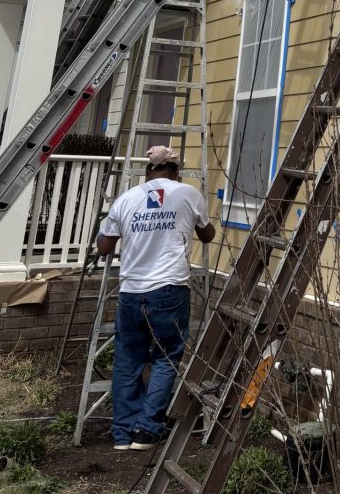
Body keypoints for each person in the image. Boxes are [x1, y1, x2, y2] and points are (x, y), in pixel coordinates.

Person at [97, 144, 215, 451]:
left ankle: (122, 434)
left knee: (128, 360)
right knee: (166, 357)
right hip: (169, 289)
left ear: (148, 171)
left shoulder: (126, 199)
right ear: (176, 172)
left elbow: (105, 247)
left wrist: (107, 231)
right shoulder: (188, 194)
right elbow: (208, 235)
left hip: (132, 291)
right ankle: (147, 431)